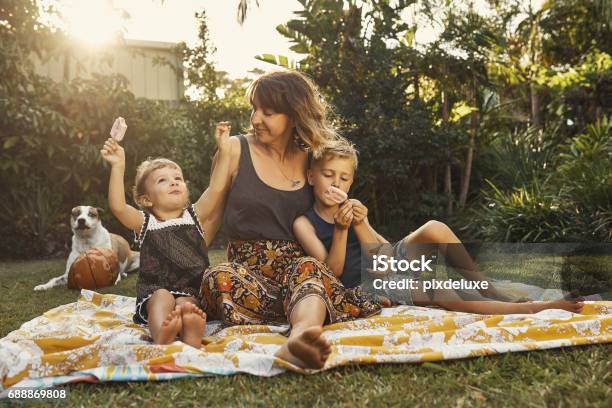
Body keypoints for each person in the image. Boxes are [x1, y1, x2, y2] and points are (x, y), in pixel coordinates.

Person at [200, 70, 381, 369]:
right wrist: (181, 277)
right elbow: (210, 219)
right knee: (217, 275)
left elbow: (331, 213)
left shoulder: (314, 158)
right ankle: (303, 319)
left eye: (268, 112)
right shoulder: (233, 149)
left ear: (294, 115)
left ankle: (299, 339)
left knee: (309, 269)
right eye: (254, 109)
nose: (256, 119)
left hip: (302, 279)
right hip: (247, 283)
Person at [292, 137, 584, 315]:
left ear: (351, 182)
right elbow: (332, 272)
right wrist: (342, 230)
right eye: (329, 174)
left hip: (385, 263)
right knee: (441, 290)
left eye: (344, 178)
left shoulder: (351, 208)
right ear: (311, 176)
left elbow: (385, 255)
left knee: (434, 227)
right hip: (364, 284)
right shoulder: (304, 223)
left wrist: (361, 222)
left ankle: (491, 289)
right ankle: (532, 309)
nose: (336, 183)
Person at [100, 122, 232, 348]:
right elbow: (119, 207)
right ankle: (162, 332)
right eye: (163, 180)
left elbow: (217, 188)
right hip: (155, 290)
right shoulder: (146, 222)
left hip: (192, 289)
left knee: (187, 304)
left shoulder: (195, 215)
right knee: (161, 296)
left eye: (178, 178)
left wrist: (224, 150)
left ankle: (191, 332)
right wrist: (118, 166)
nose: (173, 182)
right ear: (146, 200)